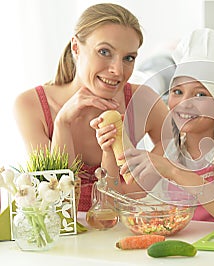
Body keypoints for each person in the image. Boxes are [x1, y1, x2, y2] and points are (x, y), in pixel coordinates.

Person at [13, 3, 168, 212]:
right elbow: (57, 200)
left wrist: (136, 182)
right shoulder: (31, 105)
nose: (117, 70)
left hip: (120, 230)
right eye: (104, 52)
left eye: (128, 58)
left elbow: (124, 197)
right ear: (76, 47)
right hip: (64, 238)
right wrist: (62, 123)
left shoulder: (143, 101)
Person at [92, 28, 214, 225]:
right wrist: (109, 149)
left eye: (200, 95)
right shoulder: (169, 148)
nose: (185, 103)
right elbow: (121, 197)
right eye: (177, 91)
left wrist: (174, 171)